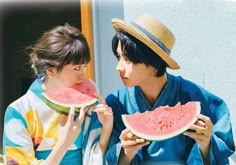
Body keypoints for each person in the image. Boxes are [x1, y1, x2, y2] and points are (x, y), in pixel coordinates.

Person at [105, 13, 235, 164]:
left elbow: (220, 149)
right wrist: (125, 153)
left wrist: (206, 144)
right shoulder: (116, 103)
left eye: (127, 60)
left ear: (153, 64)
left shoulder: (194, 96)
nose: (118, 67)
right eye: (118, 57)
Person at [2, 23, 113, 164]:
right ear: (51, 70)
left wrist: (106, 129)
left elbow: (95, 158)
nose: (83, 76)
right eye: (77, 68)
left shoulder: (89, 102)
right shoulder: (18, 112)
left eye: (85, 67)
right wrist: (64, 144)